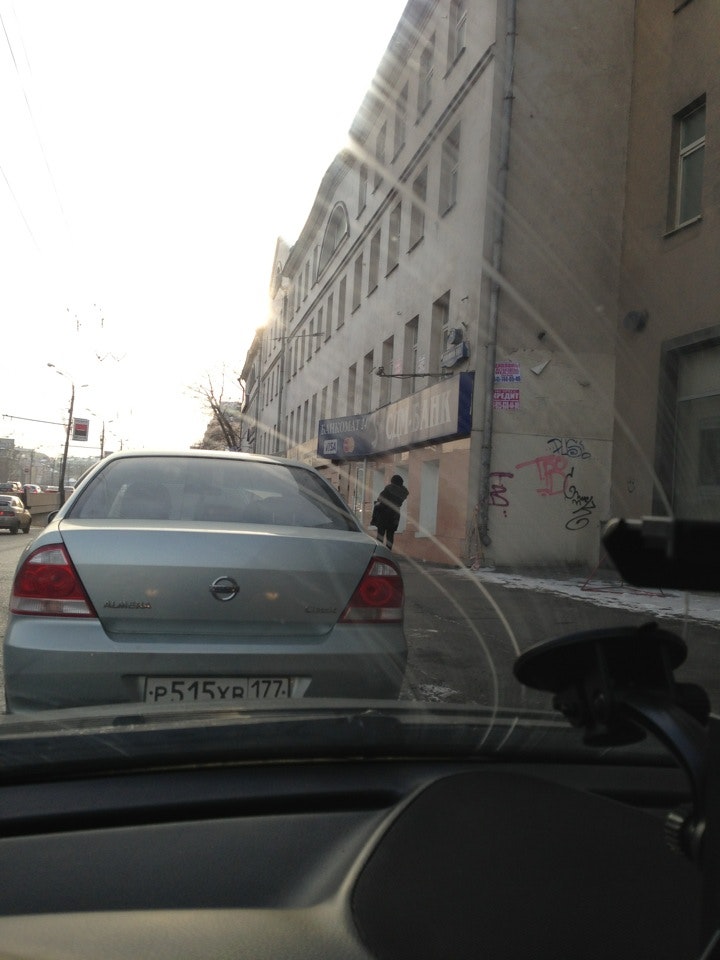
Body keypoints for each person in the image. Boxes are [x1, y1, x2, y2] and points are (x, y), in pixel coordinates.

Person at [373, 474, 408, 551]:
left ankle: (380, 551)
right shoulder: (403, 492)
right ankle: (388, 551)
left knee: (380, 534)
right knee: (390, 535)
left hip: (384, 513)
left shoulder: (389, 489)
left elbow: (380, 498)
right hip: (395, 514)